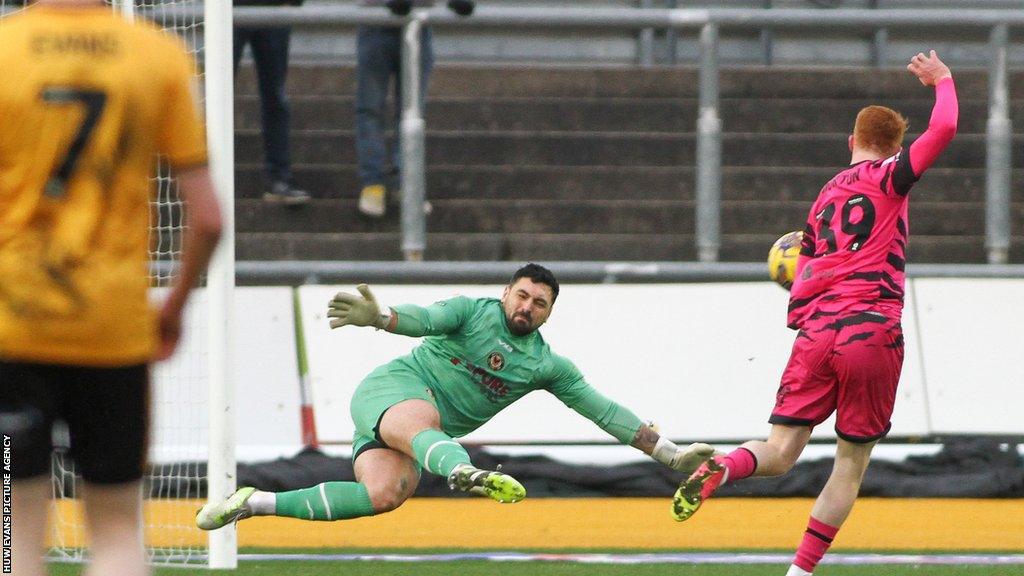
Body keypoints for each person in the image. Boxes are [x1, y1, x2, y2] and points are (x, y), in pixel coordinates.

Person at [671, 51, 958, 576]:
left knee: (780, 451)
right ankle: (799, 572)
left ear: (850, 142)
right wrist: (942, 81)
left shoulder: (824, 197)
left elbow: (801, 281)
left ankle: (724, 466)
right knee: (850, 464)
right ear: (893, 148)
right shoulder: (891, 176)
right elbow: (945, 127)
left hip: (816, 332)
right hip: (869, 329)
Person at [196, 263, 714, 529]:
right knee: (426, 421)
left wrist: (668, 451)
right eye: (522, 295)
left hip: (413, 436)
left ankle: (254, 503)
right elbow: (425, 318)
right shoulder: (472, 310)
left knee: (384, 496)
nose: (528, 306)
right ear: (505, 293)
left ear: (549, 314)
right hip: (392, 393)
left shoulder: (547, 366)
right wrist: (379, 318)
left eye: (540, 303)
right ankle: (464, 472)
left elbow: (603, 411)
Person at [0, 1, 223, 574]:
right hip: (113, 326)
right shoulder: (157, 53)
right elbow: (208, 219)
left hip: (13, 323)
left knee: (13, 526)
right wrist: (171, 310)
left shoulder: (4, 49)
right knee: (120, 528)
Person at [355, 0, 474, 217]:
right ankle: (373, 183)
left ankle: (407, 185)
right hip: (376, 20)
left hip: (418, 22)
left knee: (412, 110)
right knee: (371, 108)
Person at [234, 0, 310, 206]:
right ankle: (208, 175)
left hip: (273, 10)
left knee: (275, 97)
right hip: (226, 10)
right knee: (218, 94)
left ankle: (279, 178)